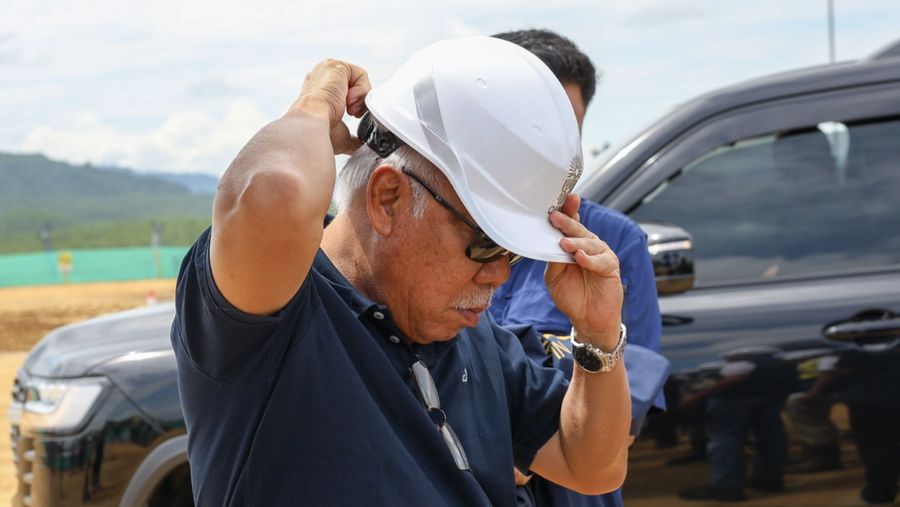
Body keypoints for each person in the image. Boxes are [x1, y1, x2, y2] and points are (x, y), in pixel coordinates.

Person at [172, 36, 631, 506]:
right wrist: (316, 104)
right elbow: (273, 193)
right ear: (387, 198)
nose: (500, 275)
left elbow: (591, 466)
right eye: (486, 243)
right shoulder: (275, 318)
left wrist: (596, 336)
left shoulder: (474, 338)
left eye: (513, 253)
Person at [488, 29, 668, 507]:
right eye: (535, 130)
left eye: (569, 133)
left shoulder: (614, 245)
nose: (554, 152)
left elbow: (621, 427)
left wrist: (510, 451)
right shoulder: (428, 237)